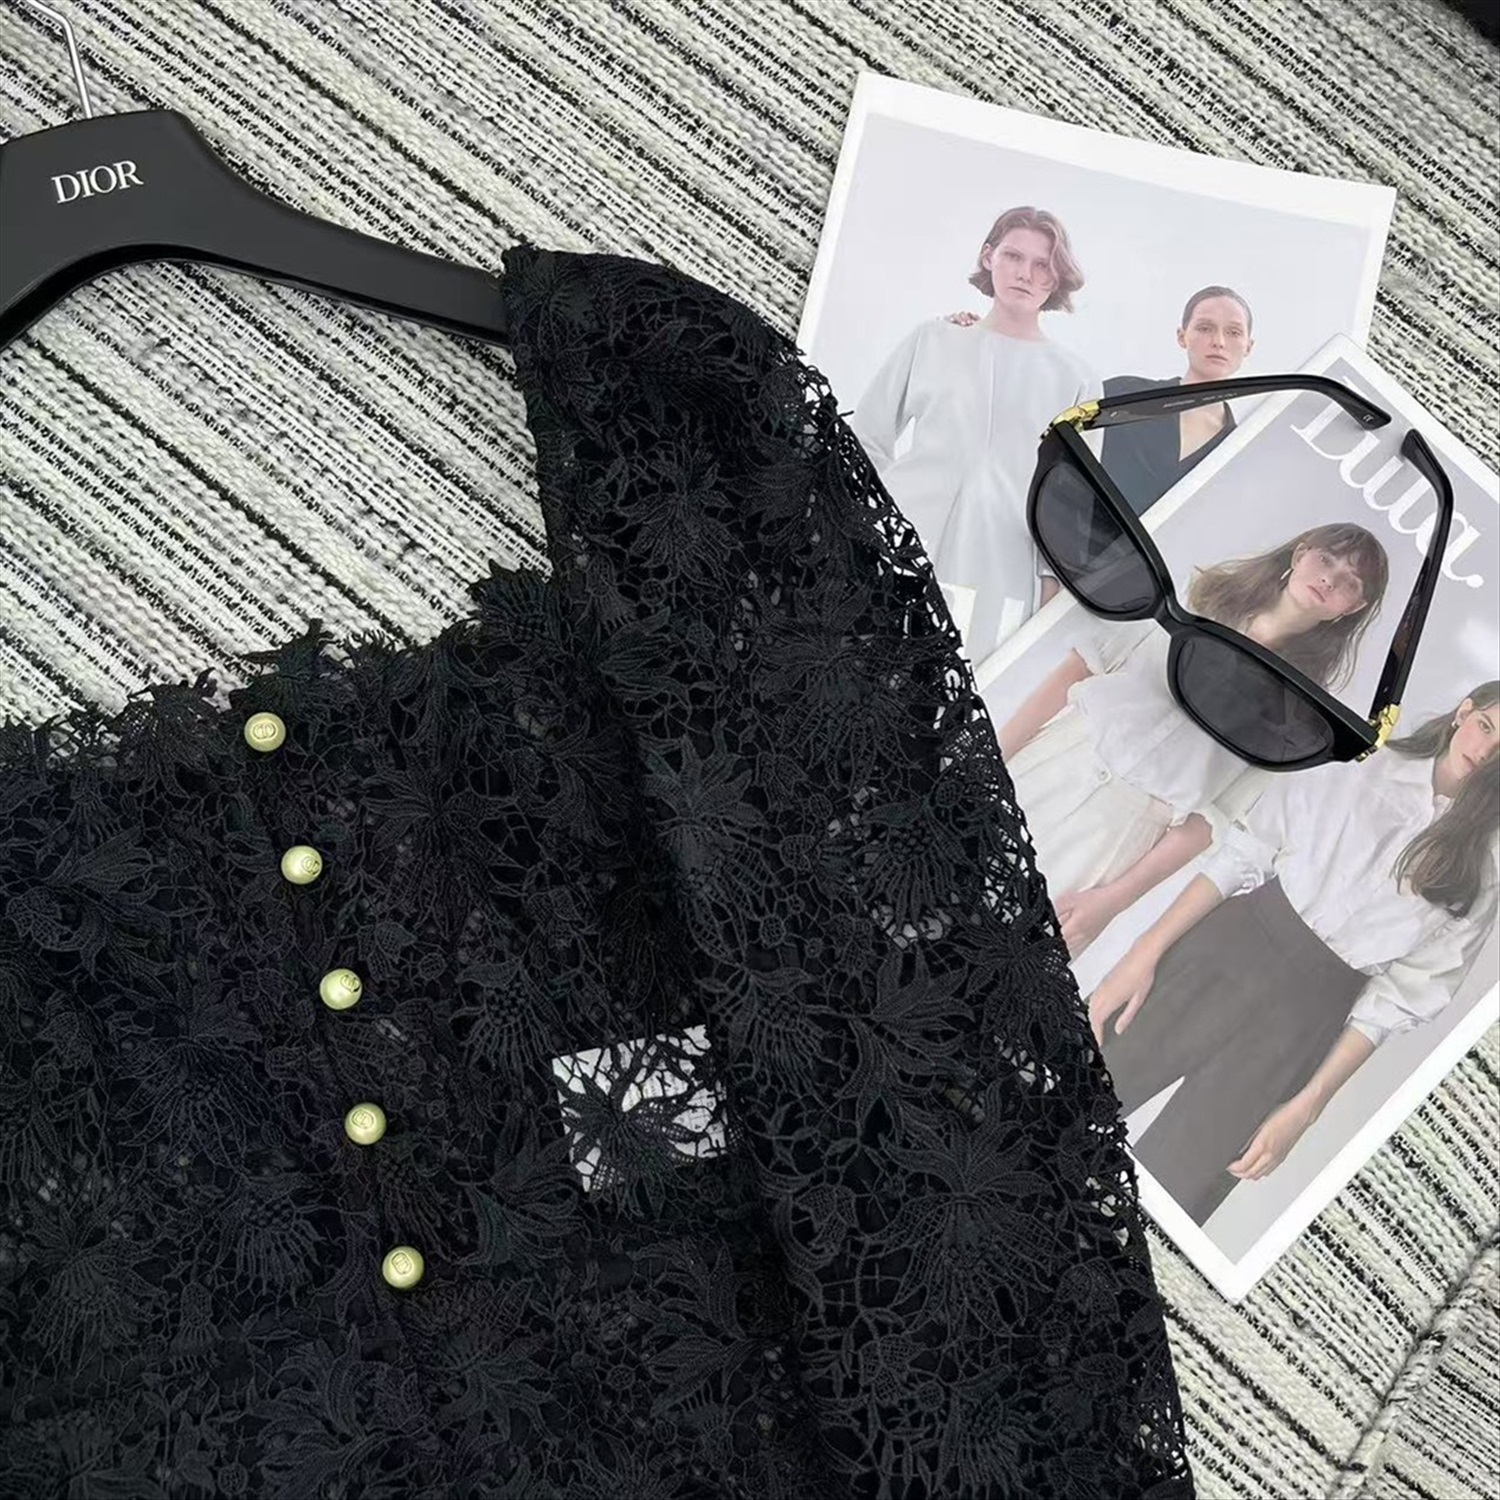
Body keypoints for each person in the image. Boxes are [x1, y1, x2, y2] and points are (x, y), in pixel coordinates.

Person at [1090, 682, 1500, 1226]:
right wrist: (1143, 951)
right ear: (1464, 712)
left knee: (1173, 1192)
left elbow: (1399, 1001)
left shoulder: (1483, 870)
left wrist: (1307, 1108)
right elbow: (1247, 851)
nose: (1485, 750)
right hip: (1227, 950)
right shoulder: (1361, 759)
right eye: (1487, 726)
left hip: (1306, 1020)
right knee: (1076, 1092)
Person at [998, 523, 1390, 958]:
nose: (1329, 579)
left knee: (1005, 952)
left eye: (1350, 582)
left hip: (1118, 836)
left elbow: (1211, 819)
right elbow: (1082, 666)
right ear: (1299, 555)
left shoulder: (1303, 717)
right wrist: (988, 756)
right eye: (1325, 559)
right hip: (1056, 762)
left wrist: (1112, 902)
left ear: (1353, 608)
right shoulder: (1195, 598)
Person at [850, 206, 1098, 662]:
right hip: (902, 541)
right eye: (1013, 256)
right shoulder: (933, 339)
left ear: (1057, 276)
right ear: (989, 257)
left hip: (1001, 569)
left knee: (958, 682)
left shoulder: (1076, 379)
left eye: (1042, 264)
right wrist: (877, 518)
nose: (1025, 274)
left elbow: (1073, 502)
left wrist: (1050, 594)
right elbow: (866, 436)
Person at [1099, 286, 1256, 516]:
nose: (1219, 341)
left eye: (1233, 332)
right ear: (1182, 336)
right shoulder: (1122, 395)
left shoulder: (1235, 454)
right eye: (1205, 328)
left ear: (1248, 347)